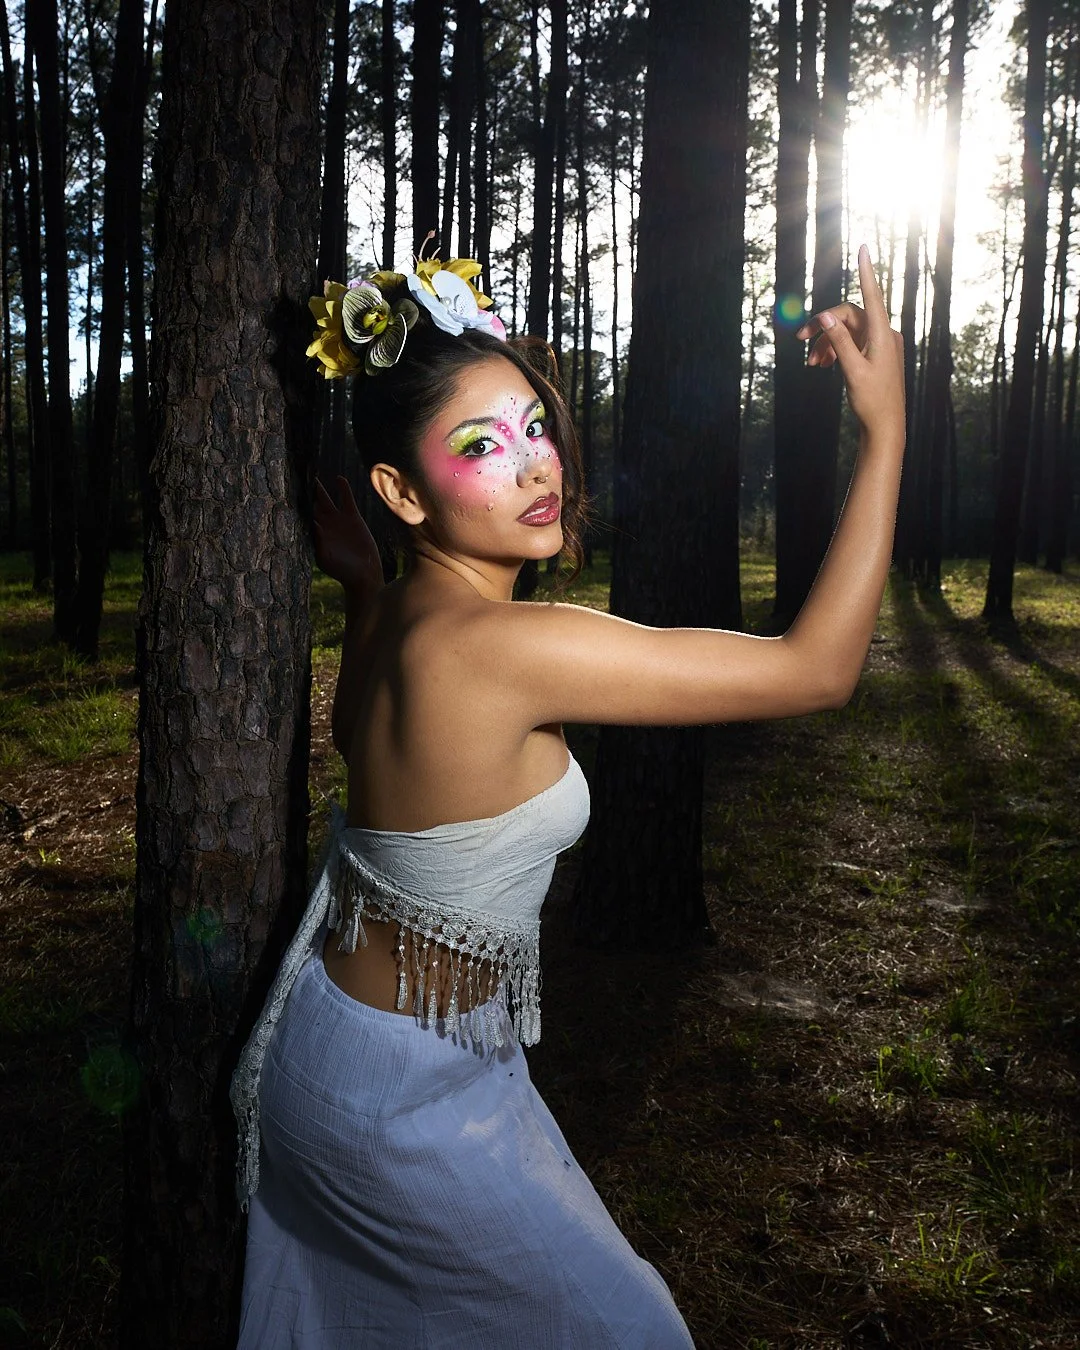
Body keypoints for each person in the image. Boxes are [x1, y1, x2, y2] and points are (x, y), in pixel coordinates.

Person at [230, 243, 905, 1348]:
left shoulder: (399, 616)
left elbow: (357, 731)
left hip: (352, 1047)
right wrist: (885, 435)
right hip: (398, 1097)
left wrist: (358, 583)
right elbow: (816, 670)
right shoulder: (512, 646)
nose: (536, 464)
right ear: (399, 491)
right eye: (480, 445)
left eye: (535, 425)